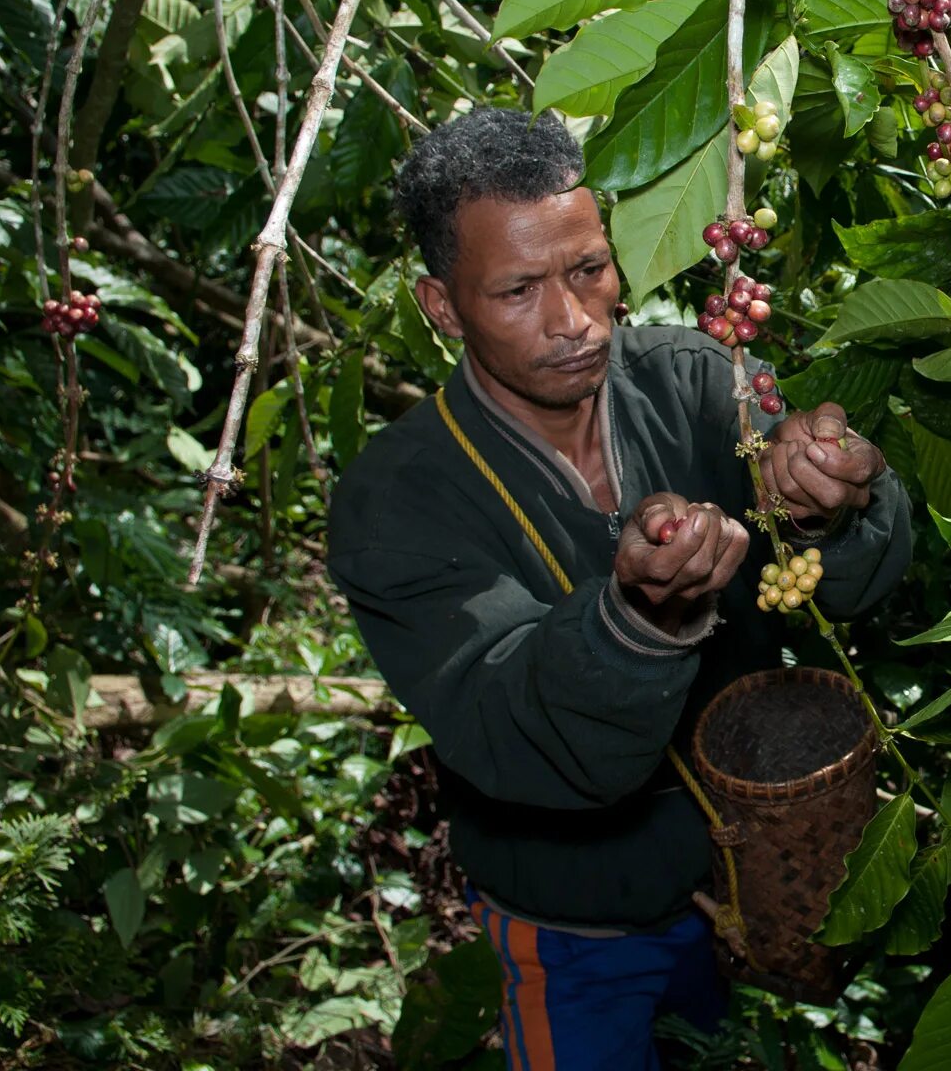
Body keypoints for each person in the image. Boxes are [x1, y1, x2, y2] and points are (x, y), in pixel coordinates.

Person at [328, 108, 911, 1070]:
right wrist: (637, 618)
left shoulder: (697, 379)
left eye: (589, 270)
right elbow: (513, 718)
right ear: (443, 307)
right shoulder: (399, 502)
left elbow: (860, 587)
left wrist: (830, 502)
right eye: (518, 290)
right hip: (575, 932)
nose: (574, 322)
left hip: (755, 889)